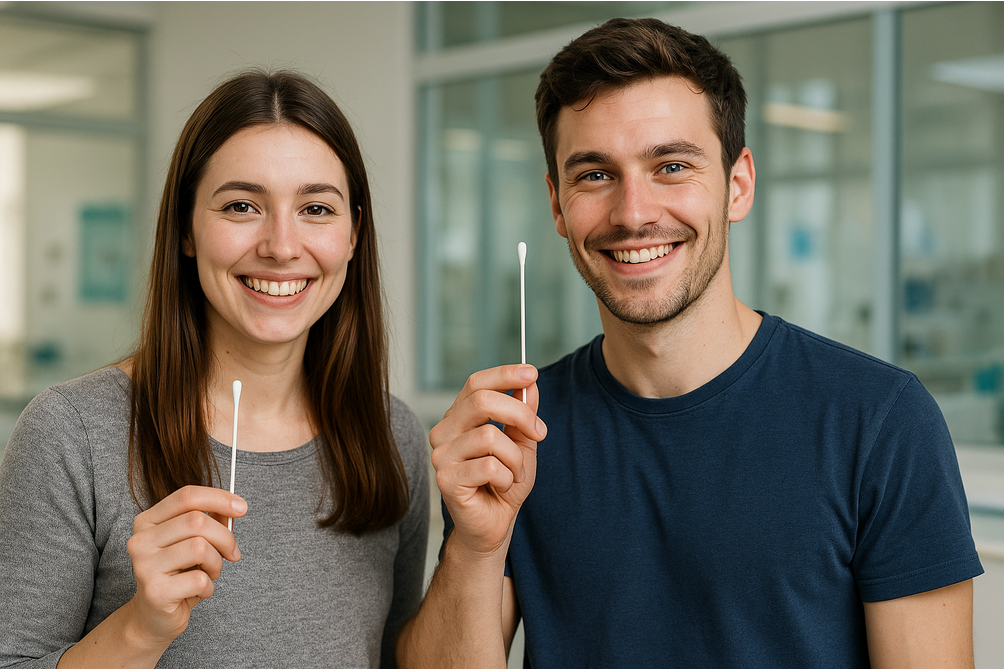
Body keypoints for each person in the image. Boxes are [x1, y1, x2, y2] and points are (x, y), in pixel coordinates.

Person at [397, 17, 983, 669]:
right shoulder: (518, 431)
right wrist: (475, 547)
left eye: (671, 166)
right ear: (557, 204)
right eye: (595, 175)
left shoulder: (879, 422)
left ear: (738, 184)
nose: (633, 212)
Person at [0, 70, 428, 668]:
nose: (282, 246)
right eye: (241, 206)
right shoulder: (72, 432)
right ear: (185, 229)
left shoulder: (391, 435)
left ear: (354, 234)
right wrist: (140, 629)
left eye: (316, 208)